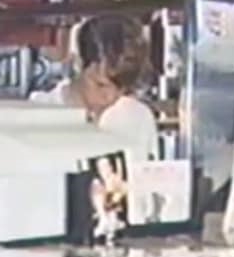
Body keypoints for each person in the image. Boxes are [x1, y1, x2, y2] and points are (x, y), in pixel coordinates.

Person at [30, 13, 159, 160]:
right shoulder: (39, 114)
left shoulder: (139, 118)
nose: (110, 97)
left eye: (121, 89)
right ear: (78, 63)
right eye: (100, 85)